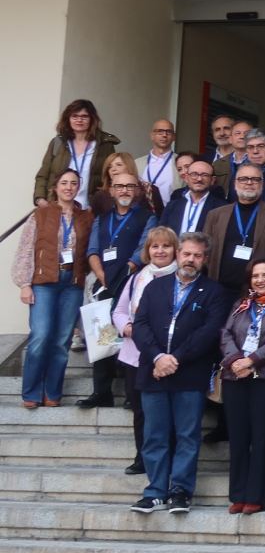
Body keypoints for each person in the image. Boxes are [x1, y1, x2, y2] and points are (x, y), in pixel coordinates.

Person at [128, 232, 231, 515]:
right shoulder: (155, 288)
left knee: (187, 435)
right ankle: (155, 492)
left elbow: (209, 332)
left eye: (198, 255)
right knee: (155, 435)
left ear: (205, 259)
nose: (191, 260)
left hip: (189, 375)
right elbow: (141, 326)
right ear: (177, 254)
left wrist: (176, 359)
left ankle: (180, 491)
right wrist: (159, 358)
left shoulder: (214, 292)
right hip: (154, 372)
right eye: (187, 253)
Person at [218, 259, 265, 515]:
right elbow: (226, 333)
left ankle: (257, 496)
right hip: (235, 377)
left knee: (261, 438)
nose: (260, 280)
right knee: (238, 438)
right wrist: (236, 361)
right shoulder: (241, 304)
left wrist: (252, 360)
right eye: (255, 276)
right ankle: (238, 494)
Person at [80, 170, 158, 409]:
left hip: (131, 283)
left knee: (128, 338)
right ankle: (101, 393)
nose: (124, 190)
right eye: (119, 186)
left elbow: (142, 250)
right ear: (111, 191)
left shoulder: (147, 217)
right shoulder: (101, 218)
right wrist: (103, 277)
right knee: (102, 339)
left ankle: (129, 395)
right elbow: (92, 250)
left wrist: (125, 274)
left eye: (129, 186)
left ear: (136, 191)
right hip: (103, 285)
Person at [13, 169, 91, 409]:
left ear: (79, 187)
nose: (68, 187)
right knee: (40, 336)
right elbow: (26, 249)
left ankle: (52, 392)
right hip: (44, 283)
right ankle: (32, 391)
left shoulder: (86, 217)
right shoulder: (41, 213)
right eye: (64, 182)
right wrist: (25, 283)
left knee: (61, 340)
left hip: (72, 284)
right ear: (55, 187)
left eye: (73, 183)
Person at [110, 228, 177, 473]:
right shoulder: (137, 278)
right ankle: (142, 458)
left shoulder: (183, 277)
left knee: (168, 412)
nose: (160, 251)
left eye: (166, 246)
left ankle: (168, 459)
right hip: (135, 355)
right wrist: (127, 327)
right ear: (147, 251)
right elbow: (119, 311)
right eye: (155, 246)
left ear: (175, 250)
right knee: (140, 411)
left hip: (169, 357)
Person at [202, 163, 265, 296]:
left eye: (255, 179)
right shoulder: (216, 215)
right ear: (235, 183)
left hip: (261, 292)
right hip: (220, 290)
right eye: (243, 179)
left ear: (262, 184)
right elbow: (205, 253)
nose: (249, 183)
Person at [35, 99, 119, 210]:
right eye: (74, 116)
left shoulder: (104, 145)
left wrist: (100, 205)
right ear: (68, 119)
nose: (79, 120)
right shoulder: (58, 143)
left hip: (89, 210)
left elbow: (111, 178)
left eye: (84, 116)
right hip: (58, 208)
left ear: (92, 119)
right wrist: (40, 199)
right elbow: (43, 174)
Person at [160, 160, 227, 236]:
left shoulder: (222, 208)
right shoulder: (172, 206)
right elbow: (162, 235)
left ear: (212, 180)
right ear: (186, 178)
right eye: (194, 174)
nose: (199, 179)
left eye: (205, 175)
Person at [139, 119, 179, 204]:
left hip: (169, 214)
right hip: (142, 214)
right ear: (152, 135)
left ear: (174, 137)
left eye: (168, 132)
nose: (164, 135)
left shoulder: (180, 163)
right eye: (160, 131)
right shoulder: (137, 164)